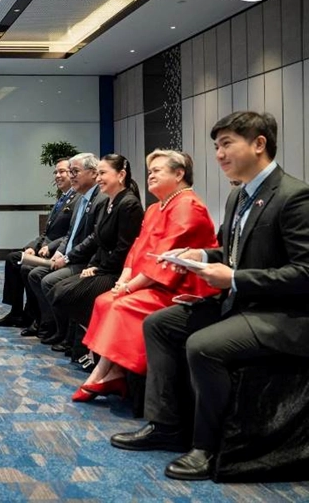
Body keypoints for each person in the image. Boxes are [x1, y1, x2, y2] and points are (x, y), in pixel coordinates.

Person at [110, 111, 309, 481]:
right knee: (159, 324)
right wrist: (199, 257)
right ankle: (166, 425)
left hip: (283, 315)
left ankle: (208, 447)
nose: (218, 154)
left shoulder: (294, 196)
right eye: (217, 146)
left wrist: (234, 279)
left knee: (203, 346)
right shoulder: (239, 196)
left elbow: (305, 273)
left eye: (226, 144)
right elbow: (232, 252)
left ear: (259, 144)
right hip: (239, 303)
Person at [73, 150, 219, 402]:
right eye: (149, 171)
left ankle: (101, 373)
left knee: (121, 305)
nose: (150, 176)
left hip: (180, 288)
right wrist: (124, 279)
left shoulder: (188, 205)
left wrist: (129, 288)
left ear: (179, 173)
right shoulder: (154, 208)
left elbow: (164, 259)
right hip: (153, 283)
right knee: (105, 300)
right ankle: (114, 370)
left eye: (157, 171)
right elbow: (137, 249)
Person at [46, 154, 144, 354]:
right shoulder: (110, 201)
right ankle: (91, 342)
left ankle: (94, 344)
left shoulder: (129, 204)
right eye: (97, 173)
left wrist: (97, 269)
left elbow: (124, 250)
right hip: (99, 266)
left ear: (121, 175)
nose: (98, 178)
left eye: (103, 173)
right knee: (59, 292)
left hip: (115, 273)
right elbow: (99, 241)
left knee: (64, 292)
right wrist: (93, 265)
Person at [0, 159, 77, 329]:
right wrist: (31, 247)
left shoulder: (77, 199)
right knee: (14, 258)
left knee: (23, 266)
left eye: (62, 172)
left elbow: (70, 234)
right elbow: (46, 233)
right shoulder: (62, 199)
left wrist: (49, 247)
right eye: (56, 172)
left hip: (58, 253)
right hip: (44, 249)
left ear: (72, 173)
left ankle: (32, 315)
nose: (58, 176)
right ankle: (16, 312)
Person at [27, 153, 107, 341]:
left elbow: (93, 239)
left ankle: (63, 331)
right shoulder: (80, 198)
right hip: (69, 256)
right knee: (33, 273)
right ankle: (51, 324)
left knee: (46, 280)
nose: (71, 176)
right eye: (69, 171)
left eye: (75, 171)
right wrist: (61, 251)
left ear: (93, 173)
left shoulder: (100, 199)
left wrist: (67, 258)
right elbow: (70, 233)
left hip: (85, 262)